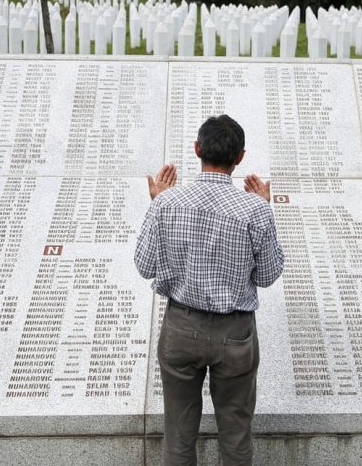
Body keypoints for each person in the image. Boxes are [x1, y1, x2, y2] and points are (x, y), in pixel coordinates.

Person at [135, 114, 284, 466]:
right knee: (235, 433)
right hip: (235, 333)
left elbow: (144, 267)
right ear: (240, 158)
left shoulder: (166, 203)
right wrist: (265, 207)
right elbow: (267, 276)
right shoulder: (255, 210)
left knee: (179, 433)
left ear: (197, 149)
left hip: (181, 328)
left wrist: (156, 202)